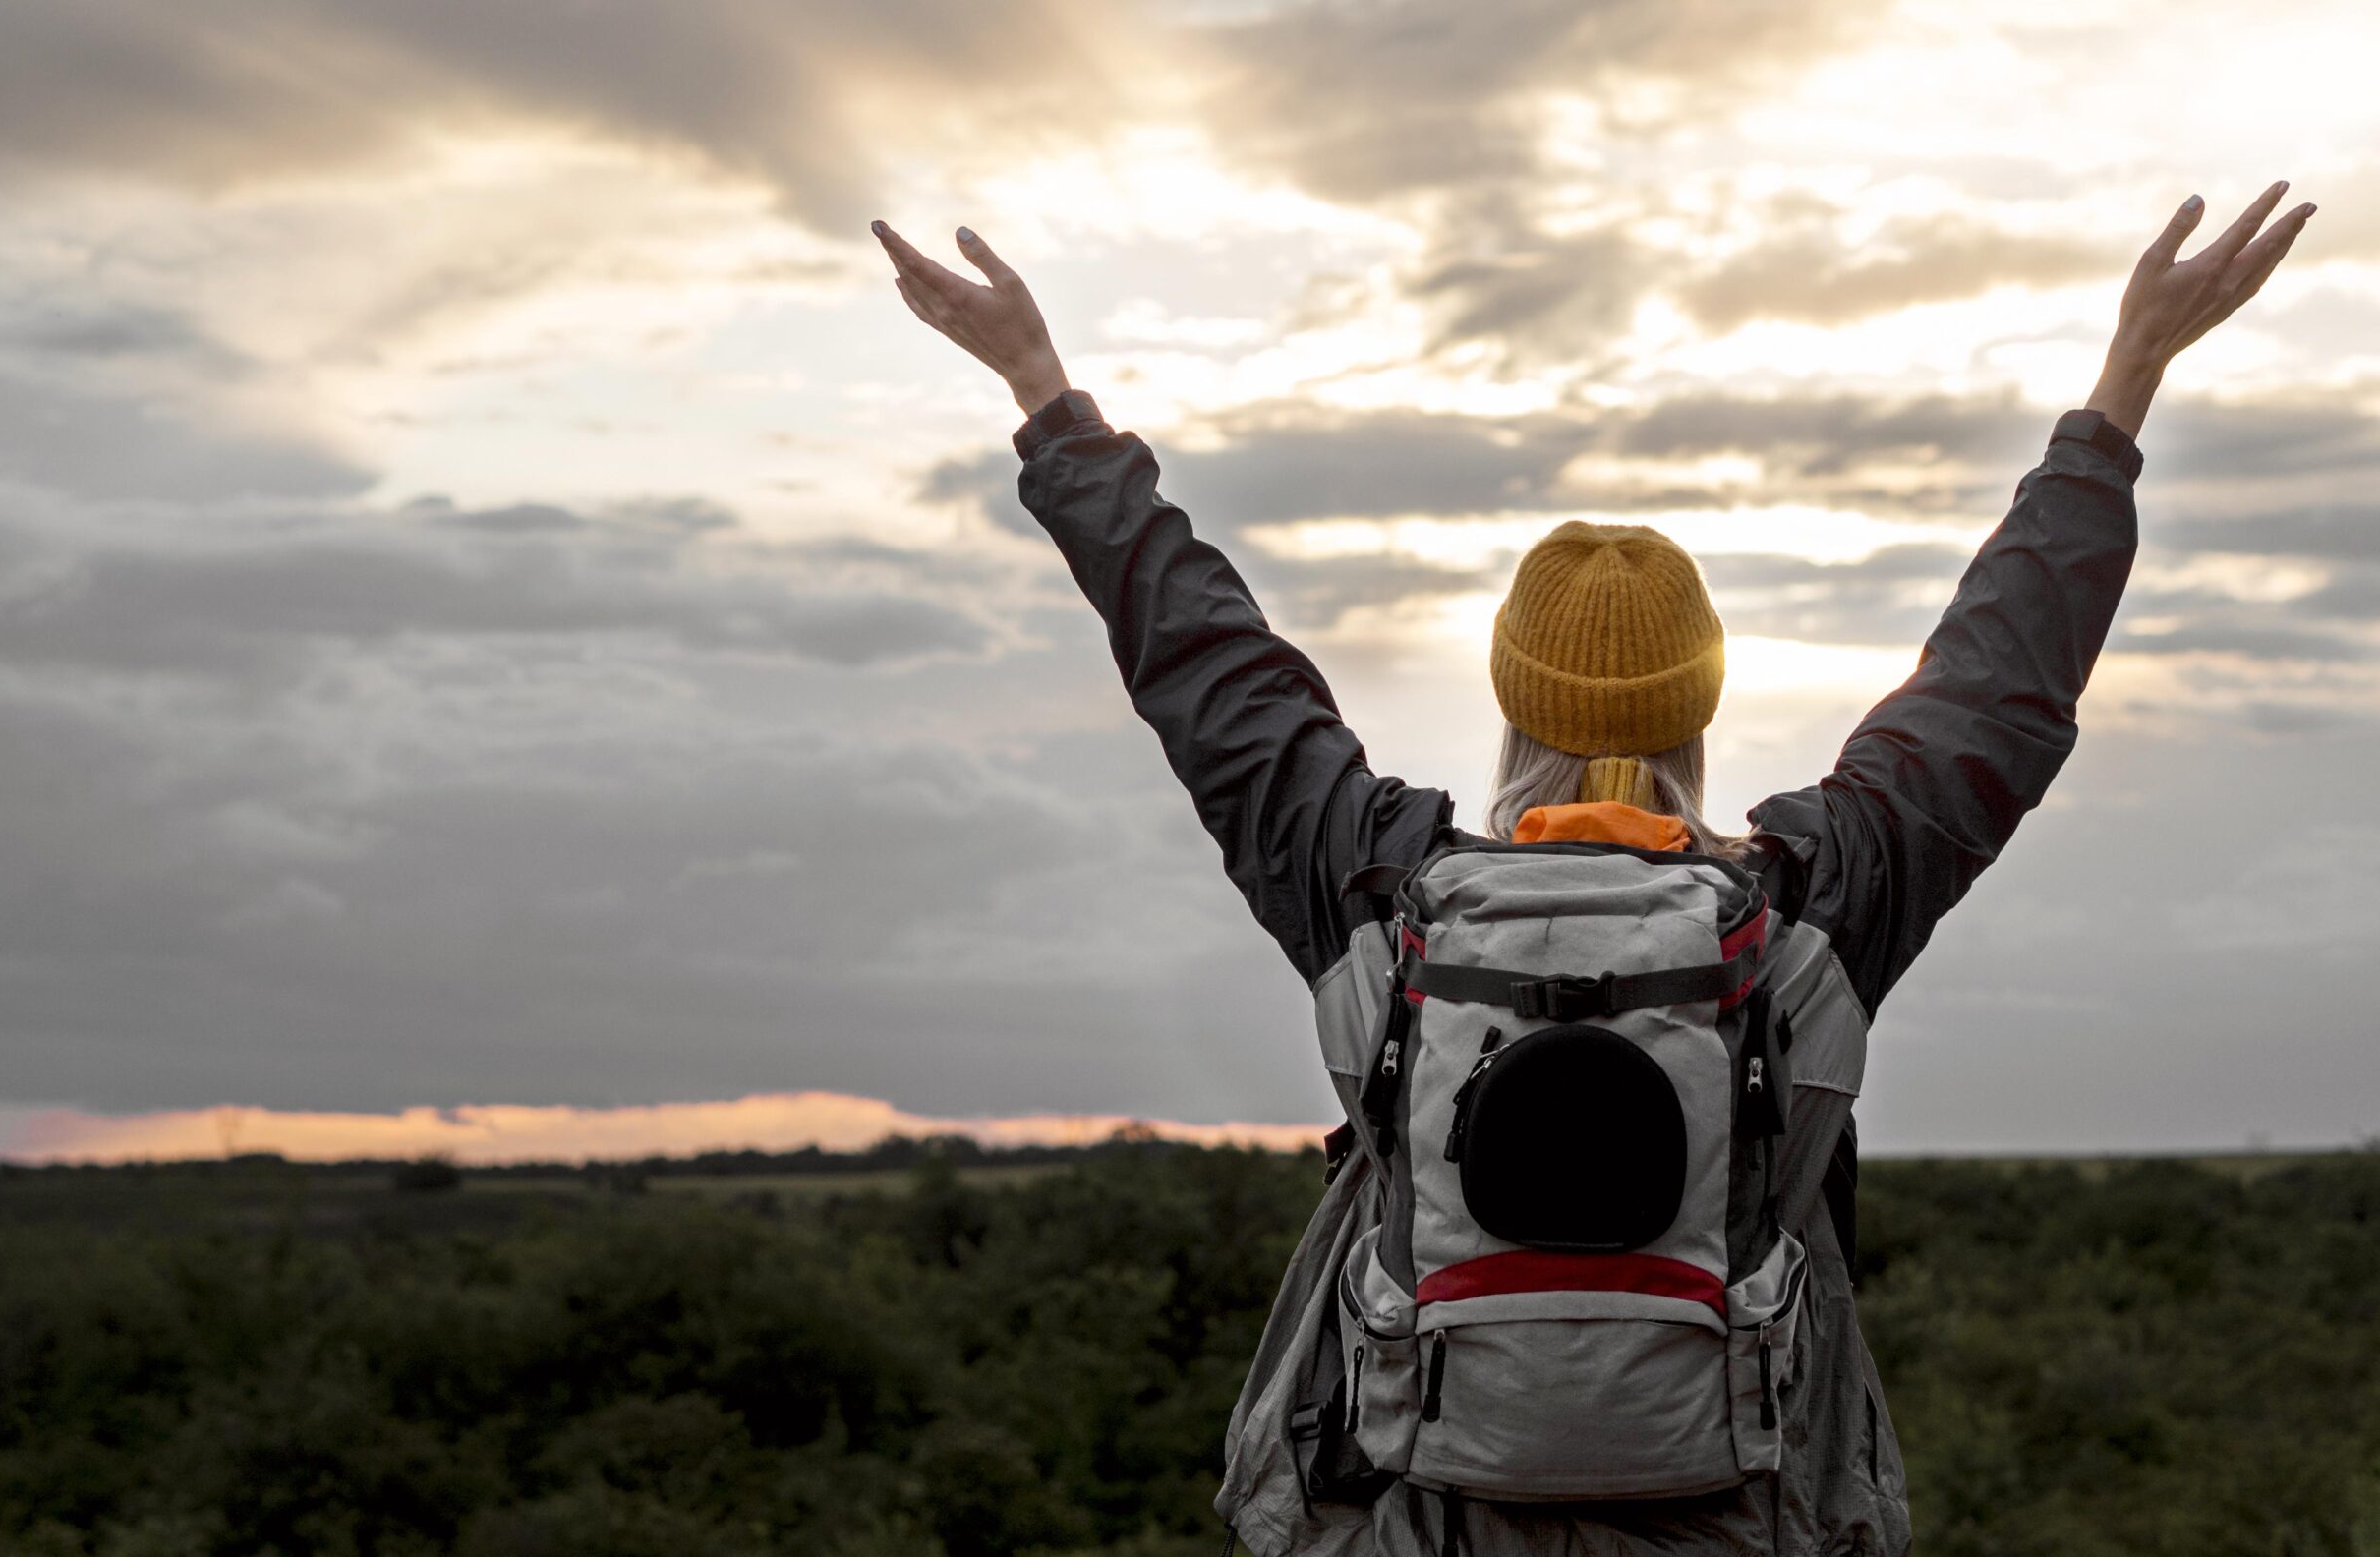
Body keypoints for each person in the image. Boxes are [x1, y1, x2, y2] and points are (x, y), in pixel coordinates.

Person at [873, 181, 2314, 1555]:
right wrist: (2123, 387)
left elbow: (1210, 670)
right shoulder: (1811, 907)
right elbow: (1997, 684)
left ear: (1513, 701)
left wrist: (1047, 398)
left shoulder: (1380, 892)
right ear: (1697, 708)